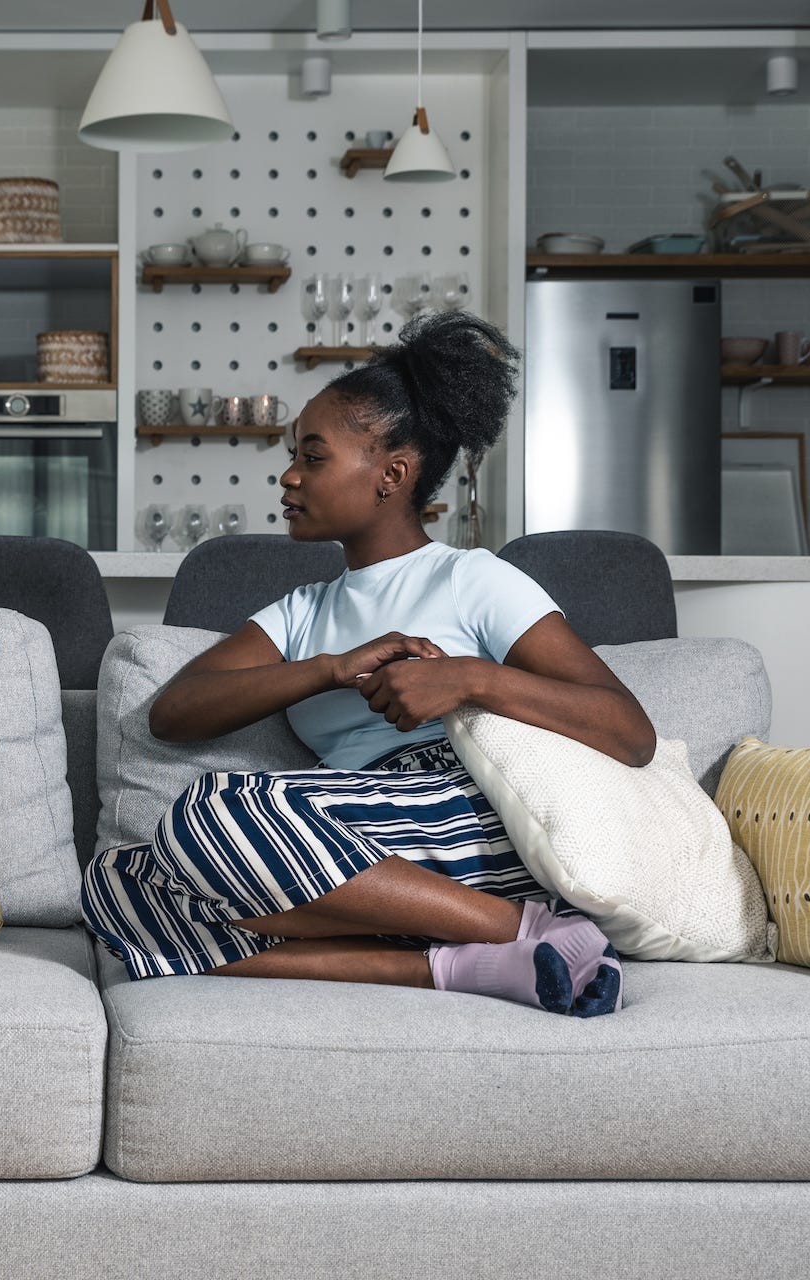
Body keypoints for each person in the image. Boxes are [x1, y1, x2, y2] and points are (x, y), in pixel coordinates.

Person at [82, 312, 653, 1018]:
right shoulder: (301, 611)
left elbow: (630, 731)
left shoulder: (470, 579)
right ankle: (462, 964)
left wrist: (469, 679)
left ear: (391, 474)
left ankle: (532, 928)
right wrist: (330, 668)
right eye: (292, 454)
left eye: (313, 457)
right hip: (356, 850)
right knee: (114, 887)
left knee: (212, 813)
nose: (288, 475)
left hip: (467, 824)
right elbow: (175, 713)